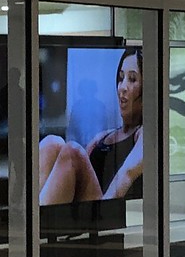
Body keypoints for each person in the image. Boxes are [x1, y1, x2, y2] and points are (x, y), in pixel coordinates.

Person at [38, 47, 145, 204]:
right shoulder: (102, 137)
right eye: (121, 78)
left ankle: (34, 221)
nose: (122, 87)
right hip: (83, 208)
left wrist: (105, 215)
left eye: (132, 79)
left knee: (73, 151)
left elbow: (127, 174)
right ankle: (29, 215)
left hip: (104, 211)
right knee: (52, 143)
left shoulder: (145, 133)